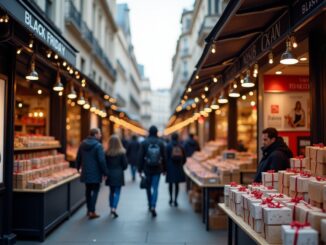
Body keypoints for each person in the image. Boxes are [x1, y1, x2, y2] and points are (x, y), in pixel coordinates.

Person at [76, 128, 108, 219]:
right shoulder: (98, 146)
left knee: (88, 191)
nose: (101, 135)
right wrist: (105, 172)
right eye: (99, 134)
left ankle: (88, 210)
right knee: (96, 191)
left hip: (86, 171)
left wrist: (77, 167)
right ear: (95, 135)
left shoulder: (82, 144)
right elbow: (102, 161)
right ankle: (92, 211)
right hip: (96, 172)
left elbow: (78, 157)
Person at [137, 125, 166, 217]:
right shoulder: (161, 143)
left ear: (149, 132)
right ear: (157, 132)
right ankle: (154, 205)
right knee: (156, 188)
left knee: (148, 187)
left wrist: (139, 169)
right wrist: (165, 169)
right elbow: (164, 157)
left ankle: (149, 204)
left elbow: (140, 156)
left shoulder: (144, 143)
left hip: (147, 168)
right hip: (157, 168)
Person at [105, 135, 128, 218]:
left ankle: (111, 207)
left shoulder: (106, 153)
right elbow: (125, 165)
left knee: (111, 191)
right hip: (118, 174)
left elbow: (104, 164)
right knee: (117, 192)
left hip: (110, 174)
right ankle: (114, 208)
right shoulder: (122, 153)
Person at [166, 133, 186, 207]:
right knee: (177, 184)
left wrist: (166, 167)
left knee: (170, 184)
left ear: (171, 137)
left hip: (170, 167)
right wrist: (181, 164)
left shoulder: (168, 146)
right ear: (177, 138)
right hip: (178, 167)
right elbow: (184, 158)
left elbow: (166, 157)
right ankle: (176, 200)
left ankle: (170, 198)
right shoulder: (181, 146)